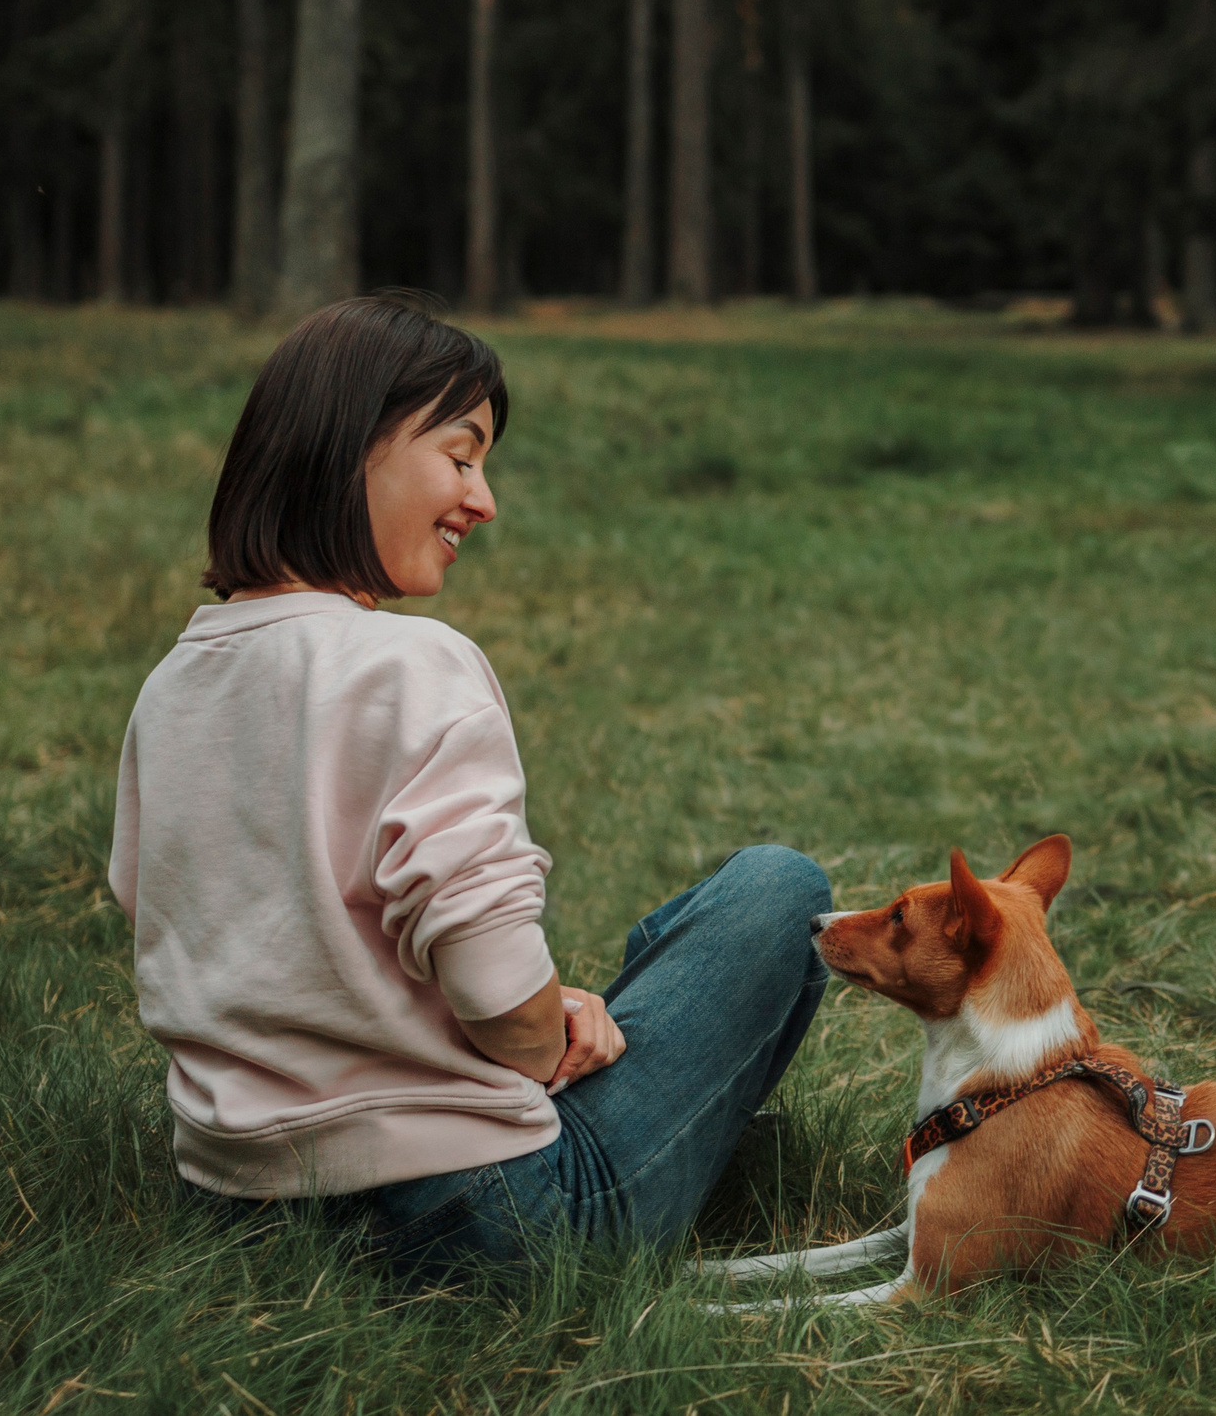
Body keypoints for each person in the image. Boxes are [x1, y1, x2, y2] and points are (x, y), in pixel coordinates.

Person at [108, 297, 831, 1278]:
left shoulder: (170, 686)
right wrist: (543, 1035)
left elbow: (196, 929)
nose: (483, 500)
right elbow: (493, 985)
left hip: (234, 1210)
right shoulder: (410, 665)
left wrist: (537, 1006)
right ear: (351, 444)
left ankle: (712, 1127)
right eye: (461, 455)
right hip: (476, 1216)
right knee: (776, 889)